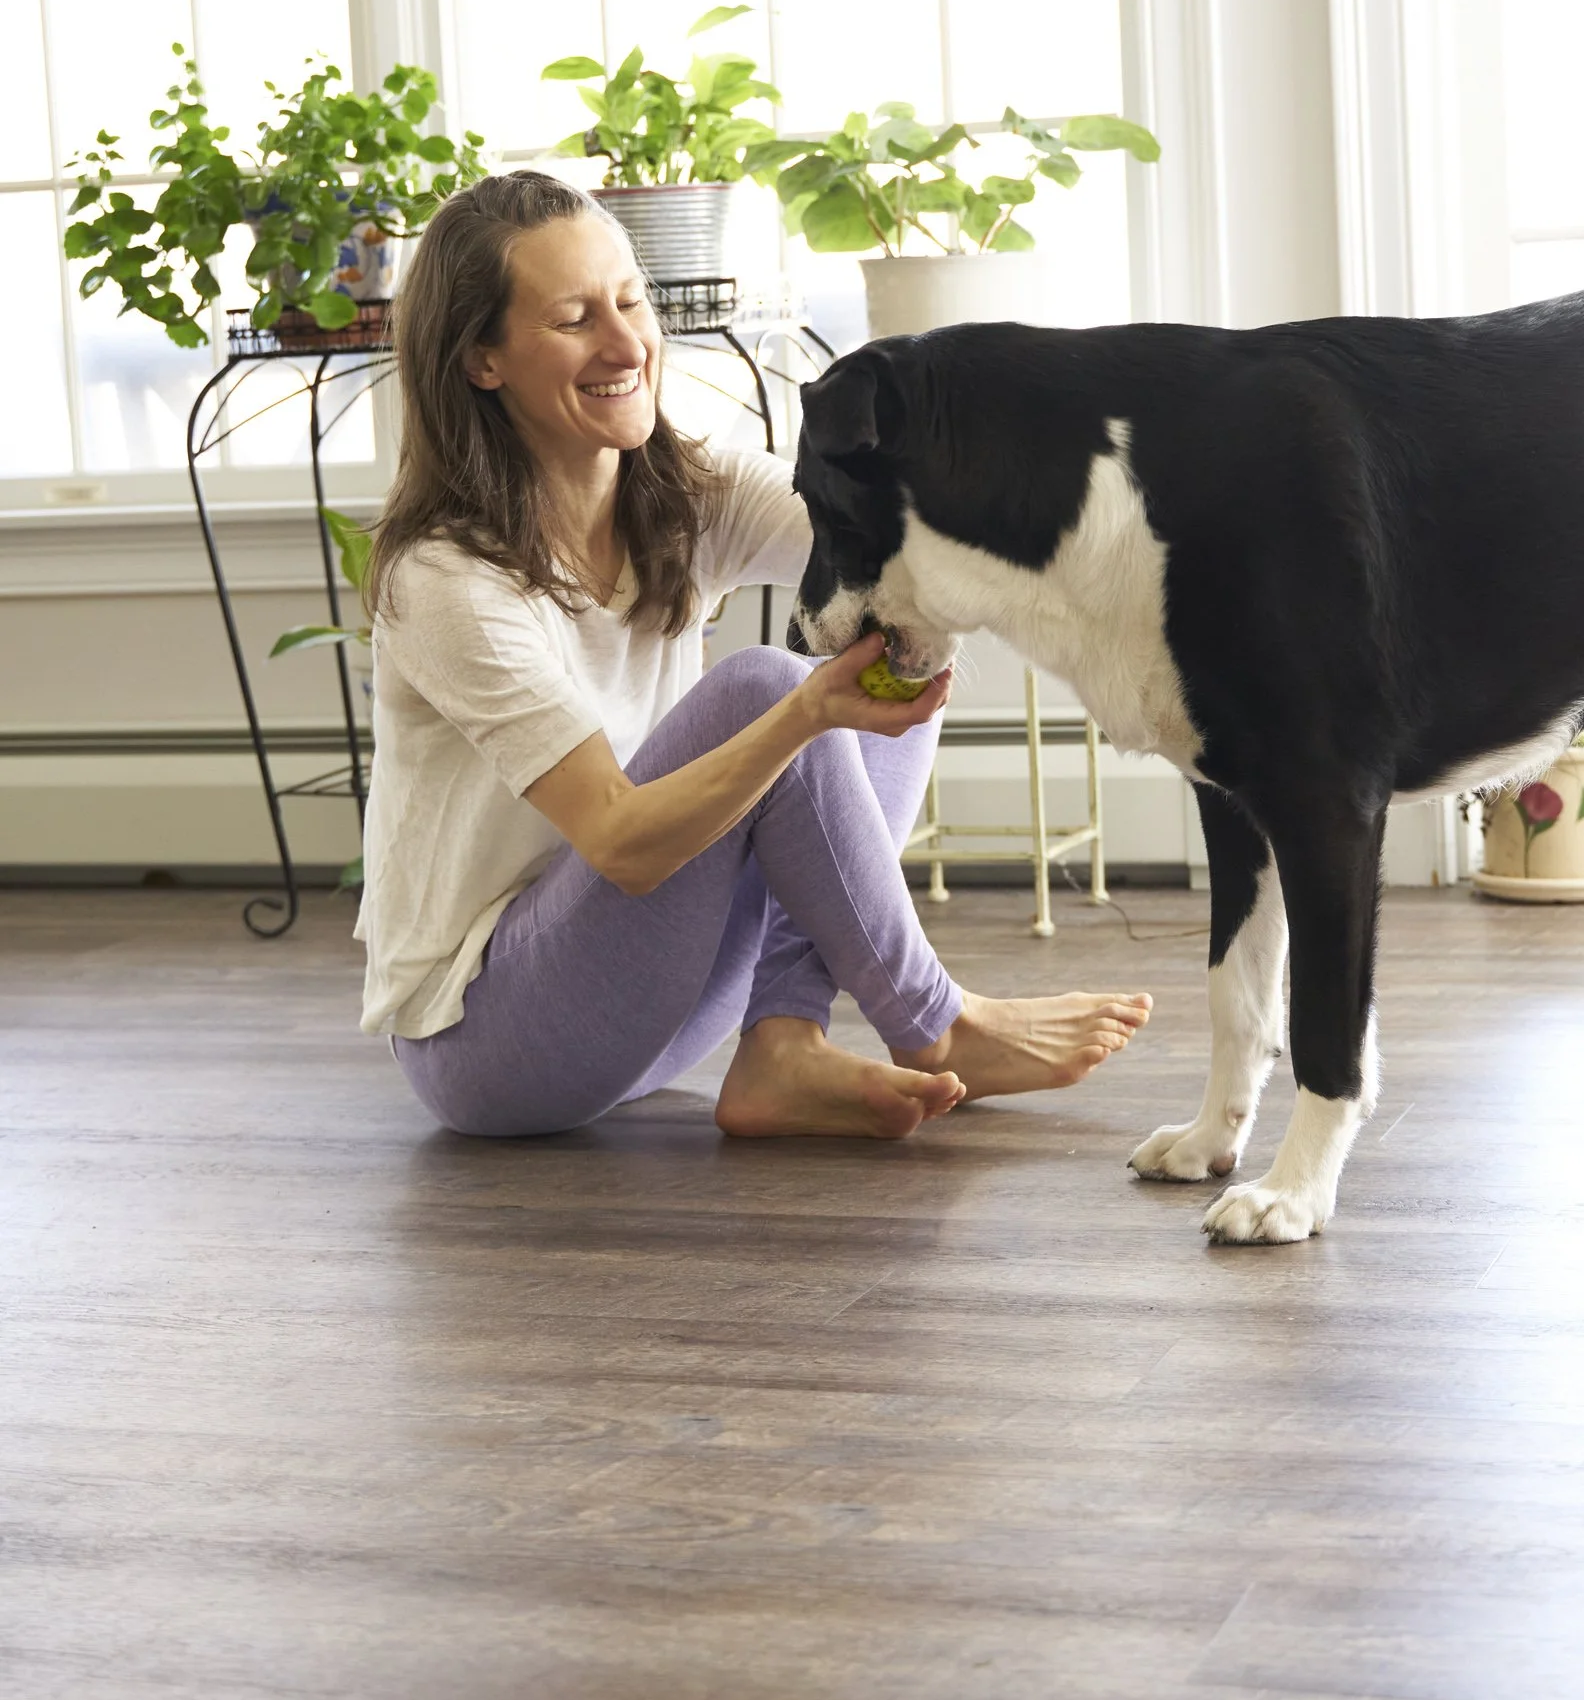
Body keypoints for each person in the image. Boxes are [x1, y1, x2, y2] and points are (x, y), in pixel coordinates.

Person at [357, 170, 1150, 1139]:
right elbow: (619, 840)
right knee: (774, 692)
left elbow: (900, 542)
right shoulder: (444, 578)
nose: (625, 343)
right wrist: (803, 714)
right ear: (483, 361)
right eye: (574, 320)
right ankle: (933, 1022)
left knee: (889, 639)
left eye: (631, 301)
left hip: (661, 1009)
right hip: (491, 1040)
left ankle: (783, 1041)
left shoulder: (686, 494)